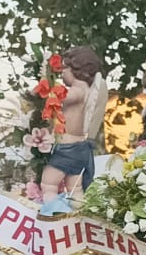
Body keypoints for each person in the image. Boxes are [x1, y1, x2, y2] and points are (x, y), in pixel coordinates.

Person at [39, 47, 105, 199]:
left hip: (68, 147)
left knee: (49, 183)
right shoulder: (88, 89)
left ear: (76, 69)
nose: (61, 72)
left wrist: (45, 80)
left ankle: (50, 212)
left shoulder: (78, 90)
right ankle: (80, 214)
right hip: (79, 147)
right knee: (75, 188)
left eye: (65, 68)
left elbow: (62, 96)